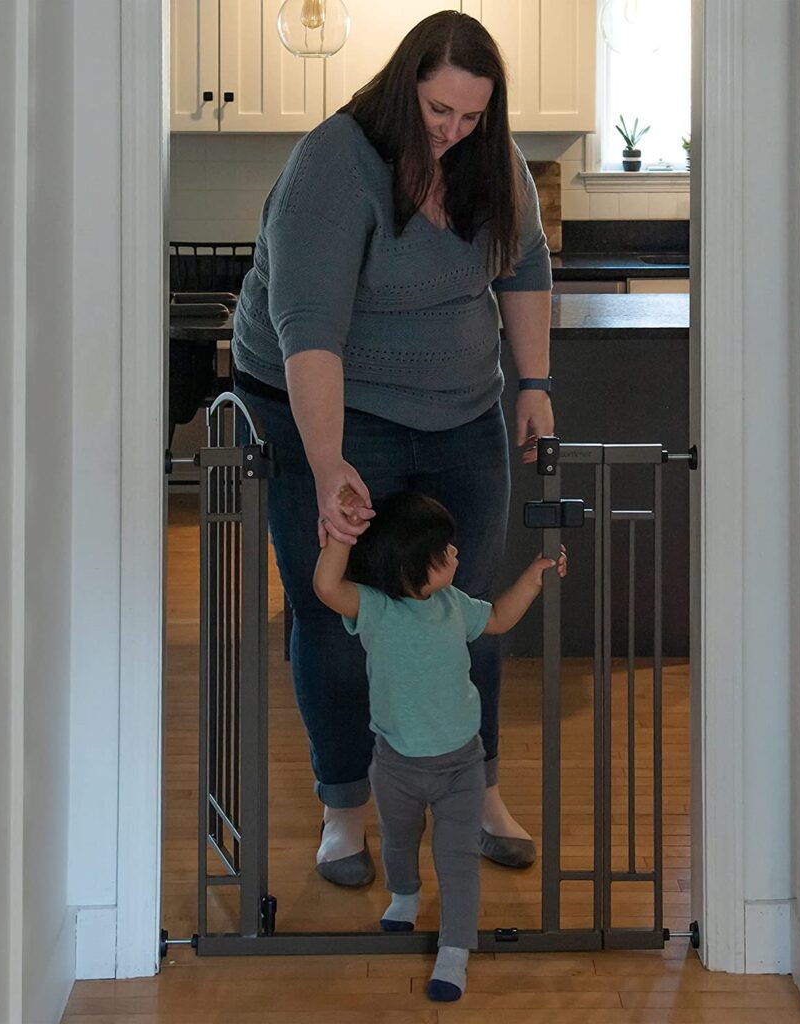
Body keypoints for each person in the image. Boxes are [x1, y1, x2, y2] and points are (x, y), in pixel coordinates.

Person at [230, 10, 554, 886]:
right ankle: (344, 810)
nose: (452, 132)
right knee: (336, 614)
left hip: (457, 407)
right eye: (439, 111)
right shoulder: (337, 165)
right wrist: (330, 461)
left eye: (471, 116)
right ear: (404, 84)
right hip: (329, 397)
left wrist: (534, 385)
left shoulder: (493, 164)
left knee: (465, 603)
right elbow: (310, 329)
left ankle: (474, 788)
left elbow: (524, 268)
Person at [313, 490, 567, 1001]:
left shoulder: (455, 606)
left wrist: (532, 580)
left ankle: (455, 948)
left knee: (456, 857)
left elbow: (498, 618)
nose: (456, 555)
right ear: (410, 565)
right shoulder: (376, 610)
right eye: (445, 551)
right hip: (395, 765)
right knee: (399, 841)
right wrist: (340, 537)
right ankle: (404, 896)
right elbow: (325, 586)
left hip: (460, 766)